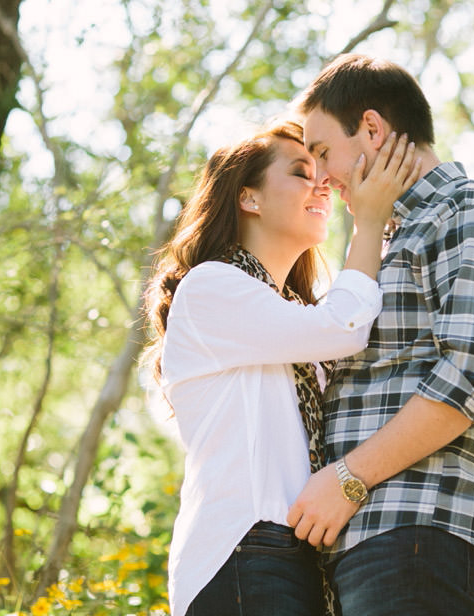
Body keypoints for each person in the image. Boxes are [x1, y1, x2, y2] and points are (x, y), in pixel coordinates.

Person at [286, 54, 474, 616]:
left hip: (422, 530)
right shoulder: (382, 243)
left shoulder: (470, 211)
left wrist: (348, 480)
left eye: (324, 152)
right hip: (390, 544)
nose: (321, 179)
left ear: (373, 129)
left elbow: (472, 374)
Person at [143, 118, 420, 616]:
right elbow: (345, 325)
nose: (321, 184)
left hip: (296, 557)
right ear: (249, 198)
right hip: (243, 550)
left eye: (321, 173)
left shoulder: (289, 317)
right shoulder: (212, 288)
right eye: (299, 172)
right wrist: (371, 221)